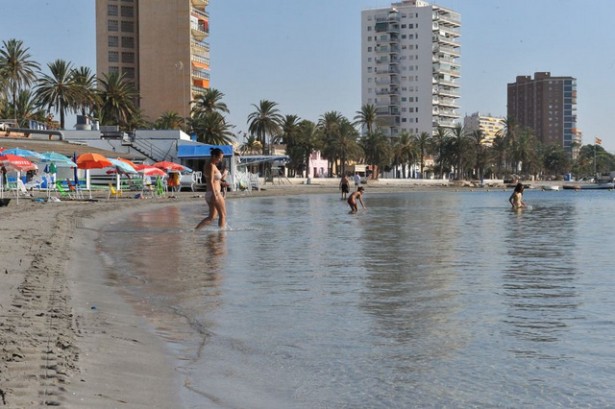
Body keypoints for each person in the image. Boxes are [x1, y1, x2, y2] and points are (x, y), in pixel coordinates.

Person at [195, 148, 227, 229]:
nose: (220, 160)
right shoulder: (211, 166)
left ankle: (196, 230)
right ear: (214, 156)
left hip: (209, 193)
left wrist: (222, 183)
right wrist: (214, 195)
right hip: (215, 193)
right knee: (223, 215)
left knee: (212, 217)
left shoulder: (208, 165)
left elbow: (212, 180)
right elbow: (211, 181)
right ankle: (222, 234)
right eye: (219, 158)